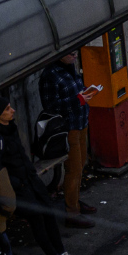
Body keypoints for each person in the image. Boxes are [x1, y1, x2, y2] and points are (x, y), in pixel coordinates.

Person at [0, 96, 81, 255]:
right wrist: (16, 182)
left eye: (10, 107)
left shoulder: (9, 128)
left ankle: (61, 253)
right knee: (37, 218)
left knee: (48, 212)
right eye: (7, 109)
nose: (12, 111)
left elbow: (20, 155)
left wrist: (30, 175)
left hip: (28, 179)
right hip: (17, 185)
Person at [38, 53, 96, 229]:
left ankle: (75, 200)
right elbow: (51, 106)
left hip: (81, 122)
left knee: (81, 163)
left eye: (74, 52)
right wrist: (78, 99)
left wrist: (87, 92)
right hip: (68, 128)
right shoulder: (50, 75)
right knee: (73, 169)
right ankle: (72, 212)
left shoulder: (69, 68)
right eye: (69, 53)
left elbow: (75, 89)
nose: (74, 55)